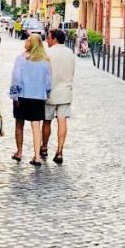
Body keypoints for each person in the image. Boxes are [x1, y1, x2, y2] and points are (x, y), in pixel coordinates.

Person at [9, 34, 52, 165]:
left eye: (28, 40)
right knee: (36, 125)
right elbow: (49, 82)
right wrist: (46, 93)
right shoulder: (45, 61)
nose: (25, 41)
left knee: (19, 124)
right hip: (38, 96)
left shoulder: (21, 59)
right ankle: (37, 156)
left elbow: (16, 79)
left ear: (32, 44)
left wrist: (14, 96)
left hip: (22, 95)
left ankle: (19, 152)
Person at [43, 28, 76, 165]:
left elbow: (44, 73)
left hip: (50, 91)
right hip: (65, 91)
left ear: (55, 39)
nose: (47, 40)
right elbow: (72, 71)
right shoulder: (70, 53)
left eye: (49, 37)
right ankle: (60, 150)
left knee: (47, 121)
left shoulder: (48, 53)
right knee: (62, 121)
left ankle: (44, 147)